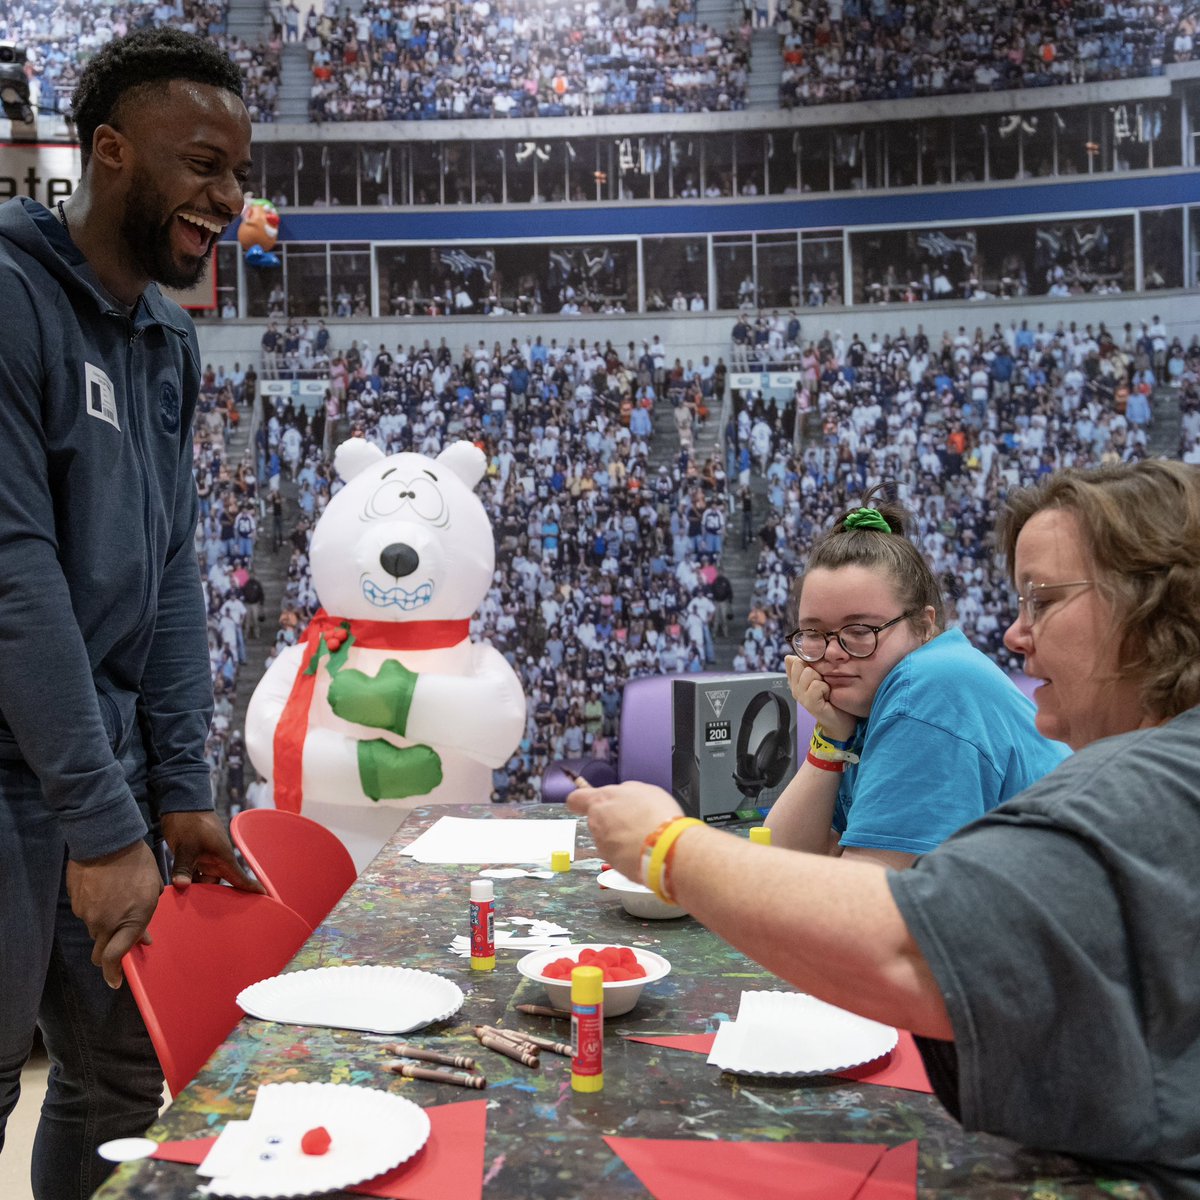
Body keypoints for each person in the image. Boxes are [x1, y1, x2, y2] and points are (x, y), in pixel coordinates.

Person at [570, 461, 1200, 1195]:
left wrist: (666, 845)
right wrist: (831, 739)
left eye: (1044, 600)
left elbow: (906, 943)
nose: (1015, 634)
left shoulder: (937, 686)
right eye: (814, 634)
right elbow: (793, 850)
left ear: (1152, 607)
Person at [0, 29, 262, 1200]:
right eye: (204, 166)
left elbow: (164, 574)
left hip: (97, 772)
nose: (228, 199)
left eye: (240, 175)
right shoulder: (11, 302)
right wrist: (107, 833)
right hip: (17, 776)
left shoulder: (167, 340)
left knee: (116, 1085)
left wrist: (181, 793)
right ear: (109, 153)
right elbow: (15, 578)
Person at [767, 488, 1067, 867]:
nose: (832, 652)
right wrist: (830, 739)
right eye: (813, 633)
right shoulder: (867, 707)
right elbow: (782, 857)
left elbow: (861, 904)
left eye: (860, 631)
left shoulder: (927, 686)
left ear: (925, 626)